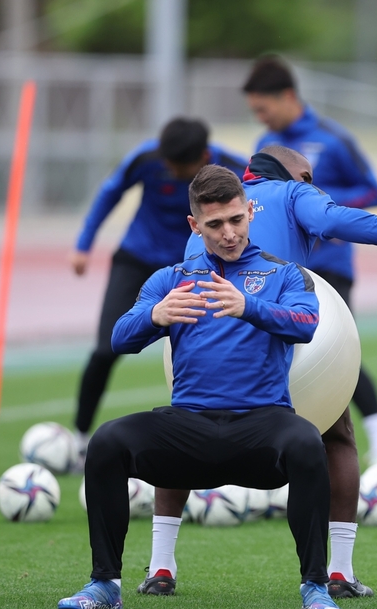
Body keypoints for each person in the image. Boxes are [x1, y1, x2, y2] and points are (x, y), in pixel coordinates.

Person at [139, 147, 377, 600]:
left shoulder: (214, 212)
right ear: (296, 176)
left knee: (181, 433)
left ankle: (161, 567)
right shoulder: (293, 193)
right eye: (310, 178)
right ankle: (340, 573)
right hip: (272, 347)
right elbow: (337, 220)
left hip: (198, 350)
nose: (315, 186)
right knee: (338, 435)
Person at [58, 164, 343, 609]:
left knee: (308, 442)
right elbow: (118, 338)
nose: (229, 233)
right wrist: (155, 316)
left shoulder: (286, 275)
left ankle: (315, 587)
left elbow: (306, 324)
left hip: (262, 425)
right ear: (195, 225)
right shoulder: (171, 279)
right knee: (108, 441)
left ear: (250, 213)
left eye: (236, 220)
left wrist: (249, 306)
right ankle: (105, 584)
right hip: (188, 427)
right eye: (215, 224)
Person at [242, 56, 377, 468]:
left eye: (263, 108)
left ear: (288, 97)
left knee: (335, 350)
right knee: (267, 351)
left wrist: (321, 207)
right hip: (281, 268)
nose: (261, 117)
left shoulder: (333, 140)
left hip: (329, 266)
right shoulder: (267, 146)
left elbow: (373, 191)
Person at [70, 118, 247, 468]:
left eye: (178, 166)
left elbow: (265, 202)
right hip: (136, 260)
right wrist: (83, 244)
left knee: (217, 349)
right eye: (168, 163)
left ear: (203, 157)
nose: (170, 170)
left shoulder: (230, 168)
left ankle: (227, 440)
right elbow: (110, 193)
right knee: (106, 348)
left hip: (192, 269)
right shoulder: (146, 158)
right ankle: (79, 438)